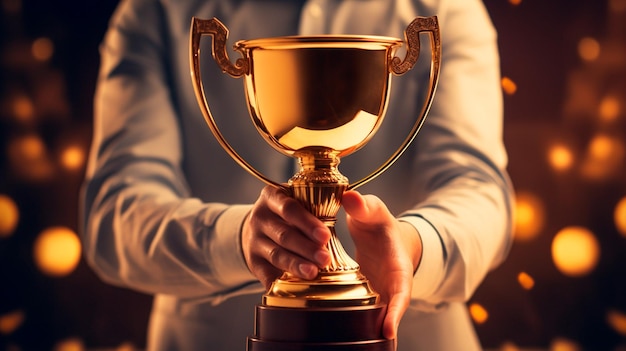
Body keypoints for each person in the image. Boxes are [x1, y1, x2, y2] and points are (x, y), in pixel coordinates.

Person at [80, 0, 514, 350]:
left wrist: (413, 246)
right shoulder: (154, 9)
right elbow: (113, 212)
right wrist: (236, 237)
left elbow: (479, 190)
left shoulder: (449, 7)